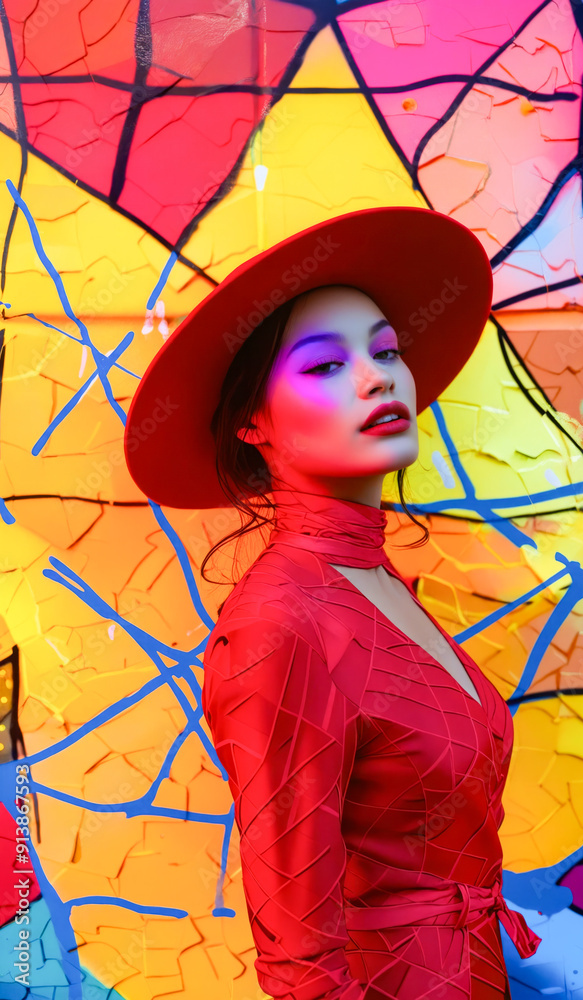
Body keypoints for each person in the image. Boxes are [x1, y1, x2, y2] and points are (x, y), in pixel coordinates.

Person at [123, 206, 542, 999]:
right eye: (322, 366)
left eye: (386, 349)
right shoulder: (282, 625)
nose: (376, 375)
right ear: (252, 422)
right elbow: (299, 960)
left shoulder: (380, 586)